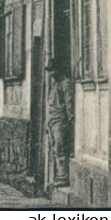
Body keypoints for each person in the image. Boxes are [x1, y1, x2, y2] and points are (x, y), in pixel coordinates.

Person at [46, 59, 73, 187]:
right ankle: (59, 175)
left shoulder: (65, 83)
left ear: (59, 70)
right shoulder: (55, 84)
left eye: (53, 70)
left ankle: (63, 177)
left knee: (60, 148)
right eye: (50, 71)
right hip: (52, 121)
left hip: (60, 121)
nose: (51, 73)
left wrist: (70, 118)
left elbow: (68, 104)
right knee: (54, 148)